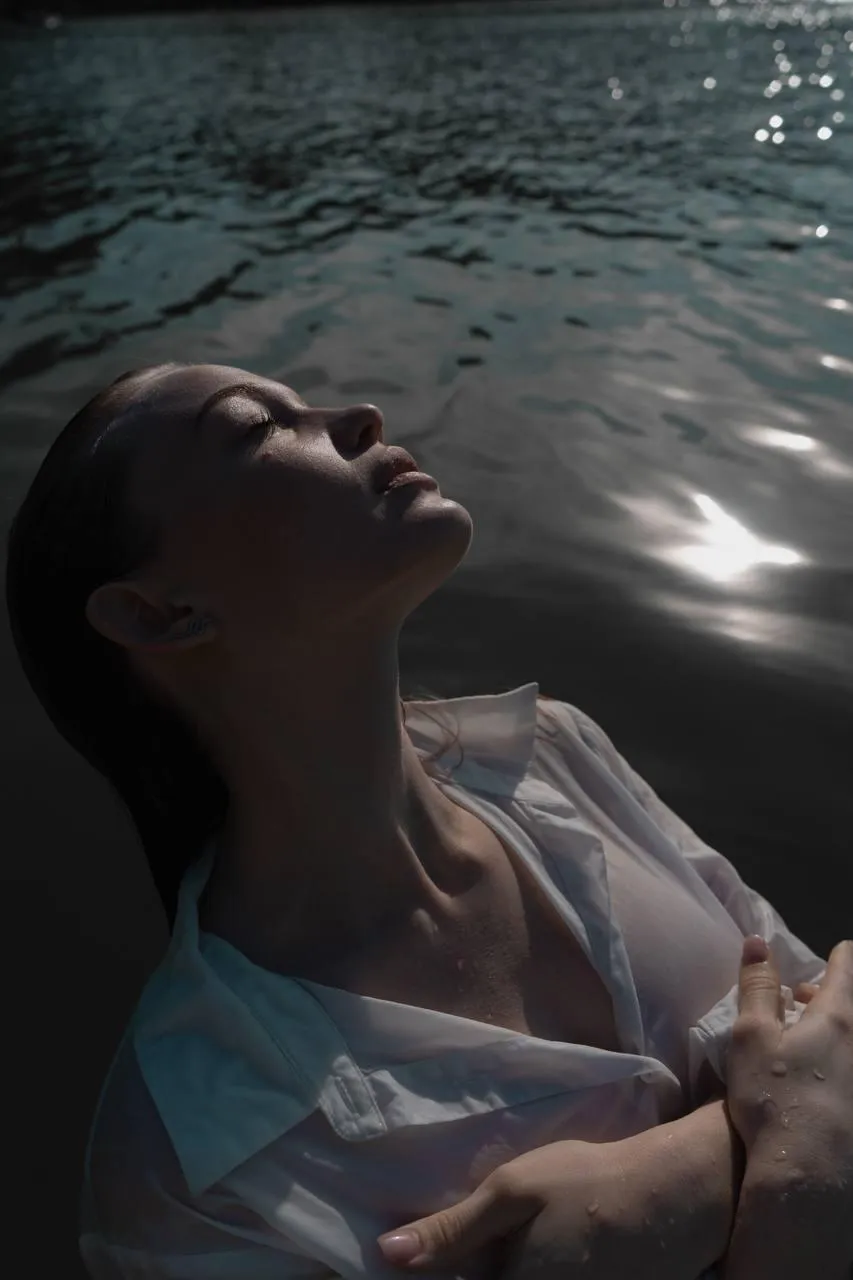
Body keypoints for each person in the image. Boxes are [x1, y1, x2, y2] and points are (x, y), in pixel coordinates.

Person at [4, 362, 850, 1280]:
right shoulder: (193, 1172)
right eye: (254, 429)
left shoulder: (555, 755)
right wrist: (784, 1164)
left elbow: (835, 1016)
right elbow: (822, 1064)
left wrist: (678, 1178)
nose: (360, 413)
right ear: (159, 612)